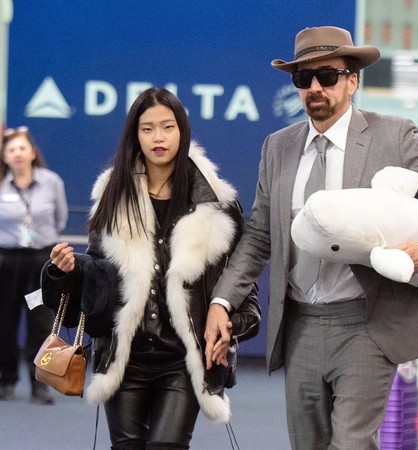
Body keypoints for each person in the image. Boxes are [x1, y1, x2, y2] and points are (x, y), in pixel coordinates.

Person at [204, 26, 418, 449]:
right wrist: (221, 301)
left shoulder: (392, 136)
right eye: (304, 78)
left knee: (352, 443)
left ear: (352, 81)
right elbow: (260, 235)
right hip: (299, 324)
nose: (315, 88)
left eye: (327, 76)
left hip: (367, 322)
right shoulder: (277, 147)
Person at [40, 88, 260, 449]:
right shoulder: (112, 198)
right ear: (135, 135)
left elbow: (243, 289)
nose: (158, 137)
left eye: (168, 127)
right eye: (147, 129)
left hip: (184, 361)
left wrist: (230, 326)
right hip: (124, 359)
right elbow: (99, 283)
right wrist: (68, 271)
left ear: (182, 131)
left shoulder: (217, 205)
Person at [0, 126, 68, 404]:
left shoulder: (51, 182)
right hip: (7, 262)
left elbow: (60, 218)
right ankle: (5, 380)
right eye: (11, 149)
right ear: (5, 156)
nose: (17, 153)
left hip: (40, 263)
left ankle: (40, 384)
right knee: (5, 323)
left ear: (31, 153)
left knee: (40, 323)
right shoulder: (1, 184)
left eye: (22, 148)